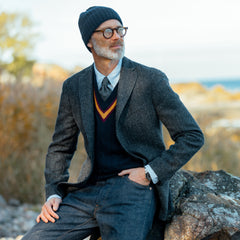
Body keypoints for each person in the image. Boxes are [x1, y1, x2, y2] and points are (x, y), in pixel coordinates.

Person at [22, 6, 204, 240]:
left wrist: (149, 173)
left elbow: (191, 135)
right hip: (87, 190)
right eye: (108, 32)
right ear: (90, 41)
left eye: (120, 29)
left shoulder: (150, 80)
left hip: (133, 190)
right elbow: (61, 146)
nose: (117, 36)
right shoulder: (74, 87)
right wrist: (53, 193)